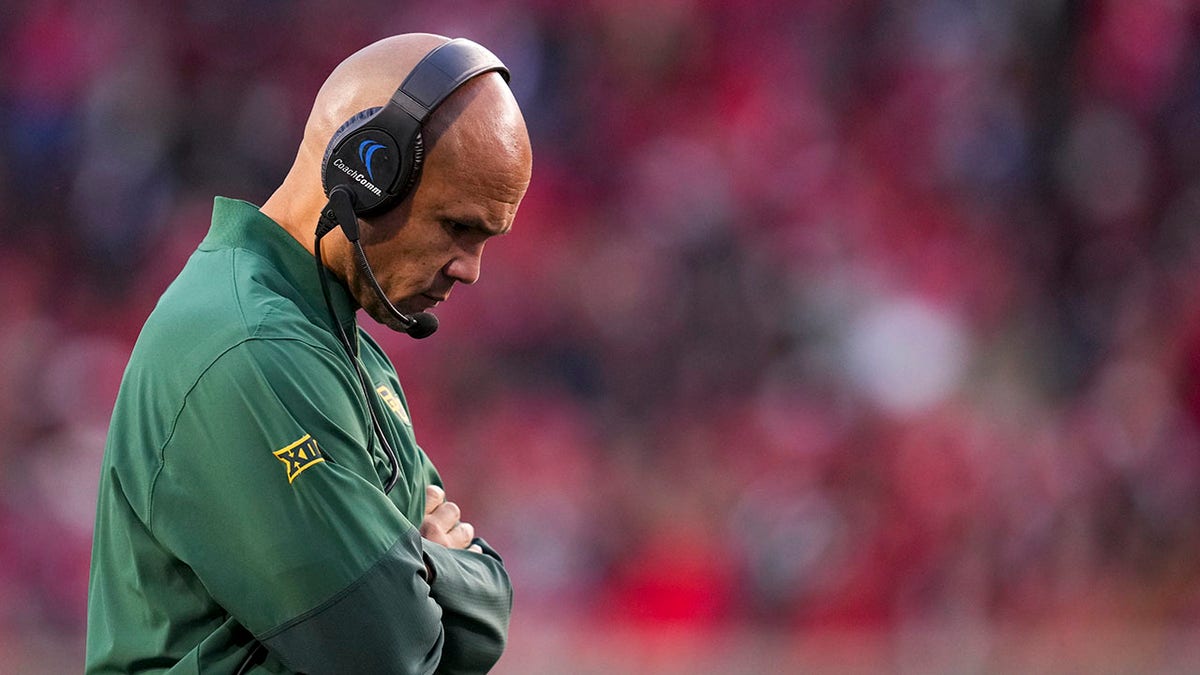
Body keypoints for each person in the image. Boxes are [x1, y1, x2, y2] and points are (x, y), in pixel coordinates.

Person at [85, 33, 532, 674]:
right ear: (367, 170)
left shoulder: (342, 345)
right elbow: (391, 655)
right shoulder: (252, 348)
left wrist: (415, 569)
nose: (471, 269)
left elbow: (487, 618)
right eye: (458, 227)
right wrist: (420, 563)